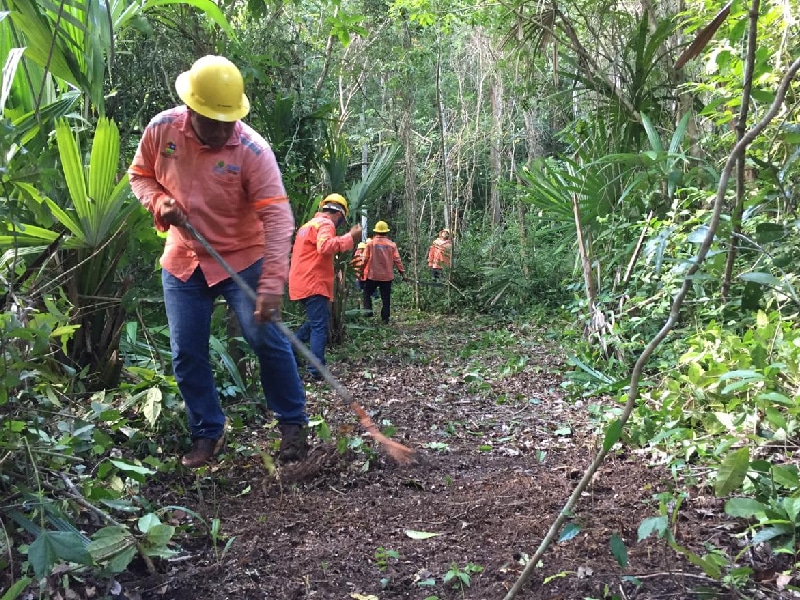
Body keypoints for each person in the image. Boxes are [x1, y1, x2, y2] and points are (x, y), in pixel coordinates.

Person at [128, 55, 308, 468]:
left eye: (229, 119)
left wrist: (270, 286)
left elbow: (279, 217)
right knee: (186, 350)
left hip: (244, 258)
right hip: (183, 257)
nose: (223, 128)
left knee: (264, 336)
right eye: (213, 120)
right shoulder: (161, 129)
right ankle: (207, 433)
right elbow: (139, 175)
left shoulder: (252, 150)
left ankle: (293, 426)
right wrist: (159, 201)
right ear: (191, 109)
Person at [288, 194, 362, 380]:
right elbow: (324, 246)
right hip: (313, 281)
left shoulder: (307, 225)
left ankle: (291, 346)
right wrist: (350, 237)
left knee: (318, 321)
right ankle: (316, 370)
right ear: (339, 214)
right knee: (319, 325)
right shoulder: (326, 224)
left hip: (301, 281)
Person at [362, 221, 407, 324]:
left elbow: (364, 259)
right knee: (386, 298)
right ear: (386, 232)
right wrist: (403, 273)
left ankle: (368, 313)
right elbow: (397, 260)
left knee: (366, 293)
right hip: (387, 276)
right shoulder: (391, 245)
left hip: (373, 275)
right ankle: (385, 319)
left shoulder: (370, 243)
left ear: (376, 232)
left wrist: (360, 271)